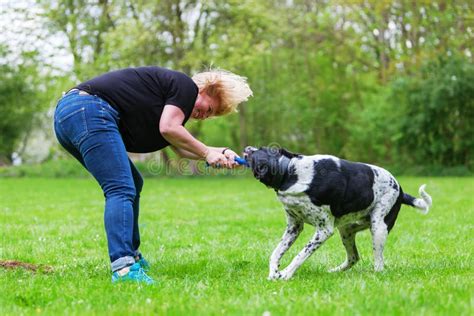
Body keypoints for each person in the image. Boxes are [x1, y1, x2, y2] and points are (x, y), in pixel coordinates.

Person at [53, 66, 253, 284]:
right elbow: (169, 129)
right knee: (120, 187)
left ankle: (132, 255)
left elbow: (181, 148)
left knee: (132, 182)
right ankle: (124, 268)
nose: (205, 116)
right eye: (210, 108)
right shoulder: (186, 87)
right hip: (88, 110)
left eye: (211, 115)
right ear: (207, 89)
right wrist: (206, 153)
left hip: (69, 117)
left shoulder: (171, 104)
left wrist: (220, 152)